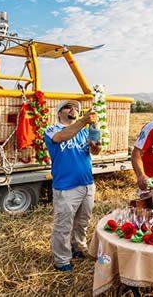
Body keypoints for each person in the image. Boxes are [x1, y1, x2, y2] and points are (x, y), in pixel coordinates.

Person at [44, 100, 102, 272]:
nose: (74, 109)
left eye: (76, 108)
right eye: (69, 107)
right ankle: (61, 259)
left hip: (87, 183)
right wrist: (84, 120)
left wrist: (96, 146)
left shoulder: (84, 132)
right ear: (59, 112)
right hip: (66, 186)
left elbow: (95, 151)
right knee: (63, 224)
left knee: (83, 221)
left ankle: (78, 246)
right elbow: (60, 138)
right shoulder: (52, 129)